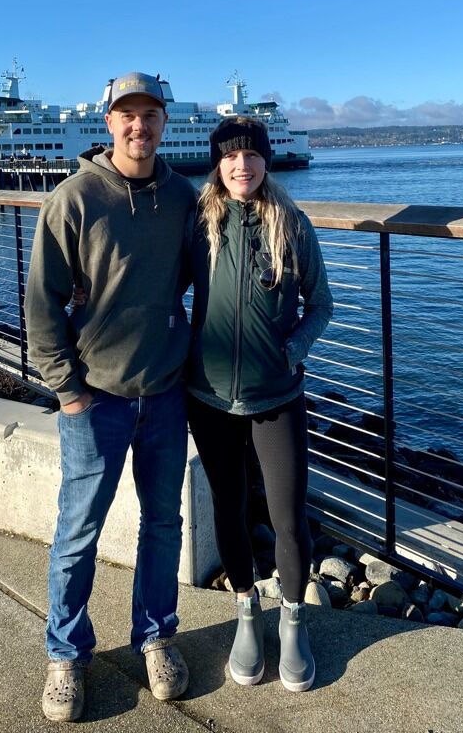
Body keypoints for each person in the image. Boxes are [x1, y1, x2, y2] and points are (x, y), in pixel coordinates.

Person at [25, 71, 197, 722]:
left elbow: (211, 259)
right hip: (96, 400)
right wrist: (68, 392)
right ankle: (66, 656)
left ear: (163, 123)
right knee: (78, 532)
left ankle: (156, 637)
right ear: (109, 124)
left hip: (165, 394)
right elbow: (41, 303)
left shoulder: (182, 195)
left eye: (150, 115)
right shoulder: (73, 199)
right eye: (127, 115)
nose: (139, 126)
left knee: (163, 524)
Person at [186, 116, 333, 693]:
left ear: (265, 162)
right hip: (209, 397)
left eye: (251, 156)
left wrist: (292, 351)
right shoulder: (199, 224)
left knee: (287, 516)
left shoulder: (291, 224)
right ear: (217, 165)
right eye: (230, 157)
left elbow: (321, 303)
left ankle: (293, 622)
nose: (240, 165)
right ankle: (247, 611)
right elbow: (159, 287)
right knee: (228, 506)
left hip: (278, 396)